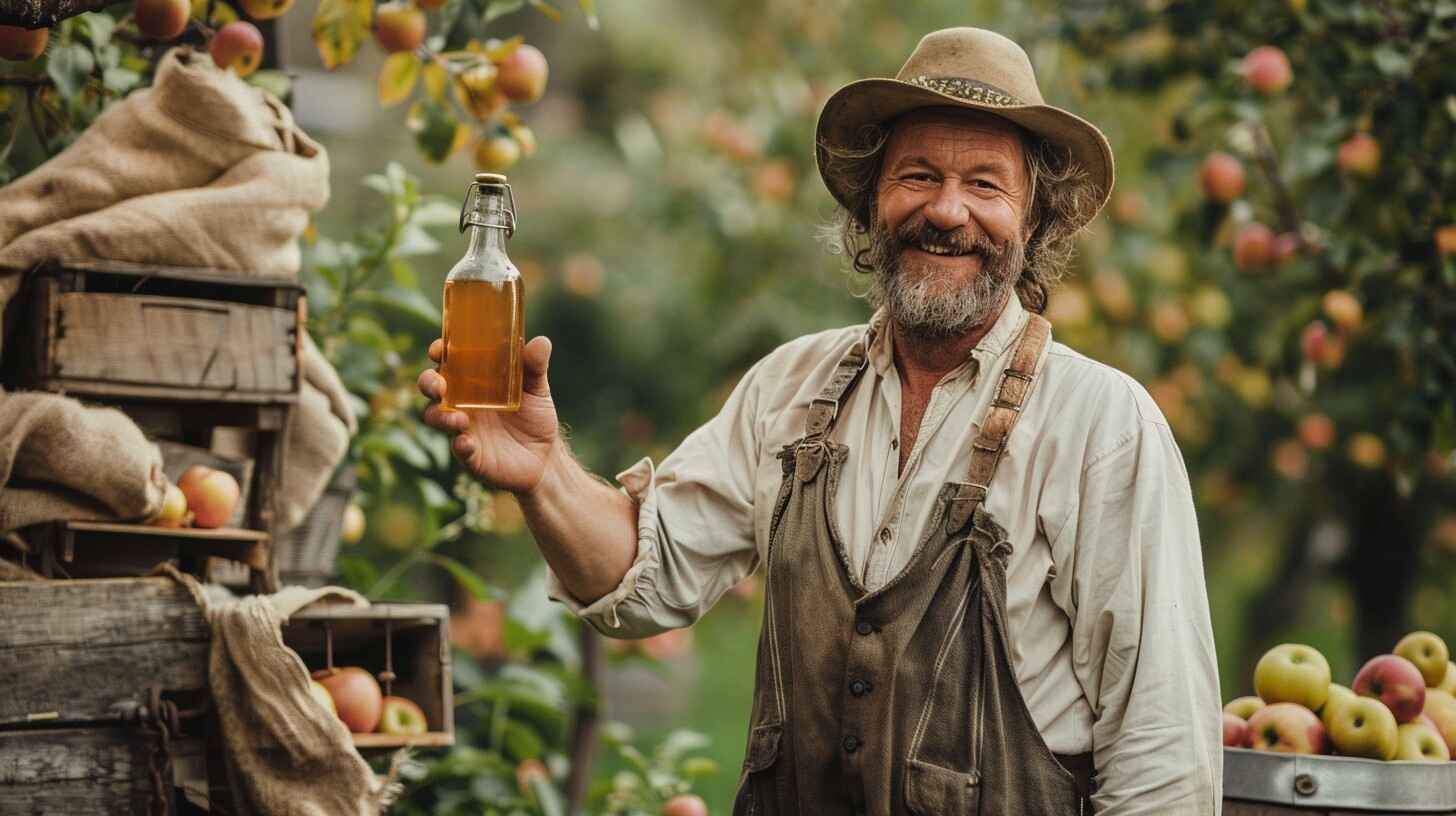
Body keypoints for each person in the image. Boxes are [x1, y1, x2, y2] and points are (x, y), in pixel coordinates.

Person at [419, 26, 1221, 816]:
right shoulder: (790, 388)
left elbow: (1162, 761)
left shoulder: (1103, 425)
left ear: (1033, 220)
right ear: (870, 203)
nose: (947, 211)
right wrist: (543, 470)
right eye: (917, 176)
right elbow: (646, 580)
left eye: (985, 185)